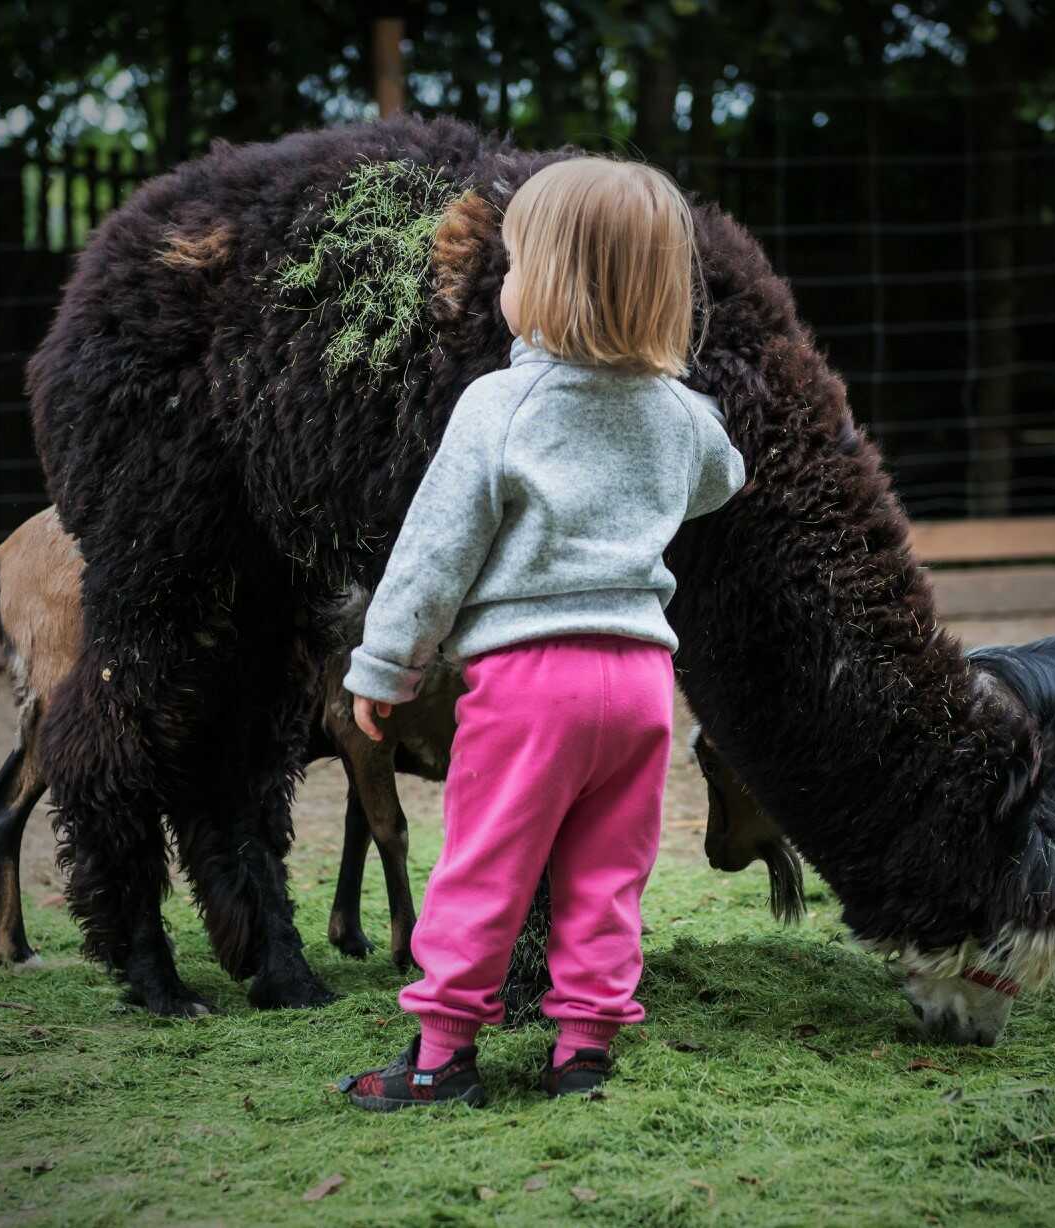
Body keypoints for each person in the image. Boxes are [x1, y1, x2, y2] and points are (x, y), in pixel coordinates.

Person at [337, 156, 745, 1111]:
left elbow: (431, 555)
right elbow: (725, 474)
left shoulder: (499, 407)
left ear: (552, 286)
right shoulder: (679, 414)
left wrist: (387, 666)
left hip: (529, 686)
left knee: (486, 866)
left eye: (516, 266)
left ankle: (440, 1059)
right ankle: (583, 1055)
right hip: (641, 679)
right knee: (607, 875)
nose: (505, 285)